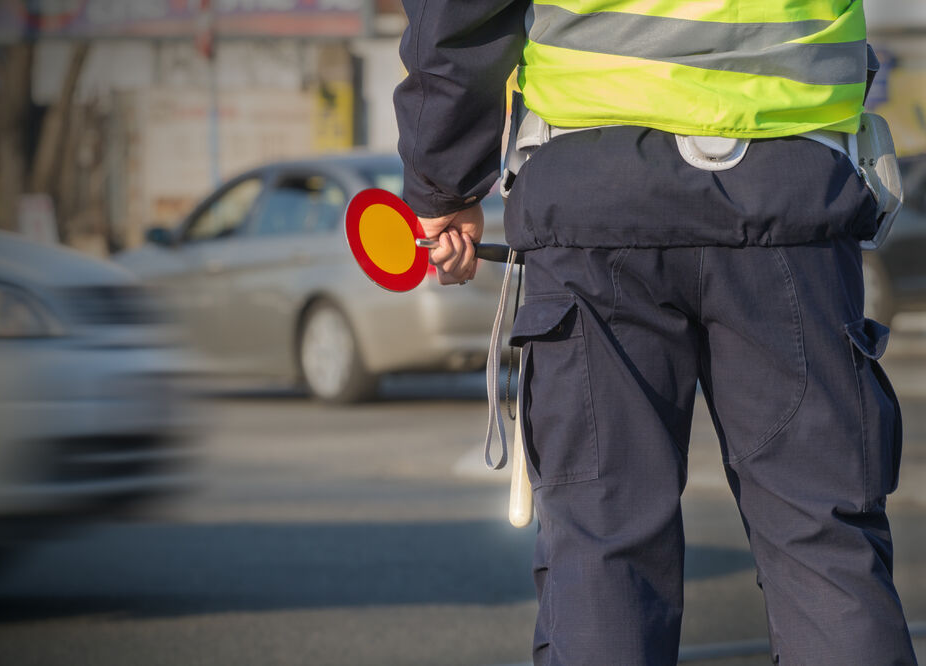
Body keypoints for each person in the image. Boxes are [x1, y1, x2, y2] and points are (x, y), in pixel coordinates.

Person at [393, 1, 918, 664]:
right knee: (824, 542)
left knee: (604, 544)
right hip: (791, 186)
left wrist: (445, 179)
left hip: (593, 189)